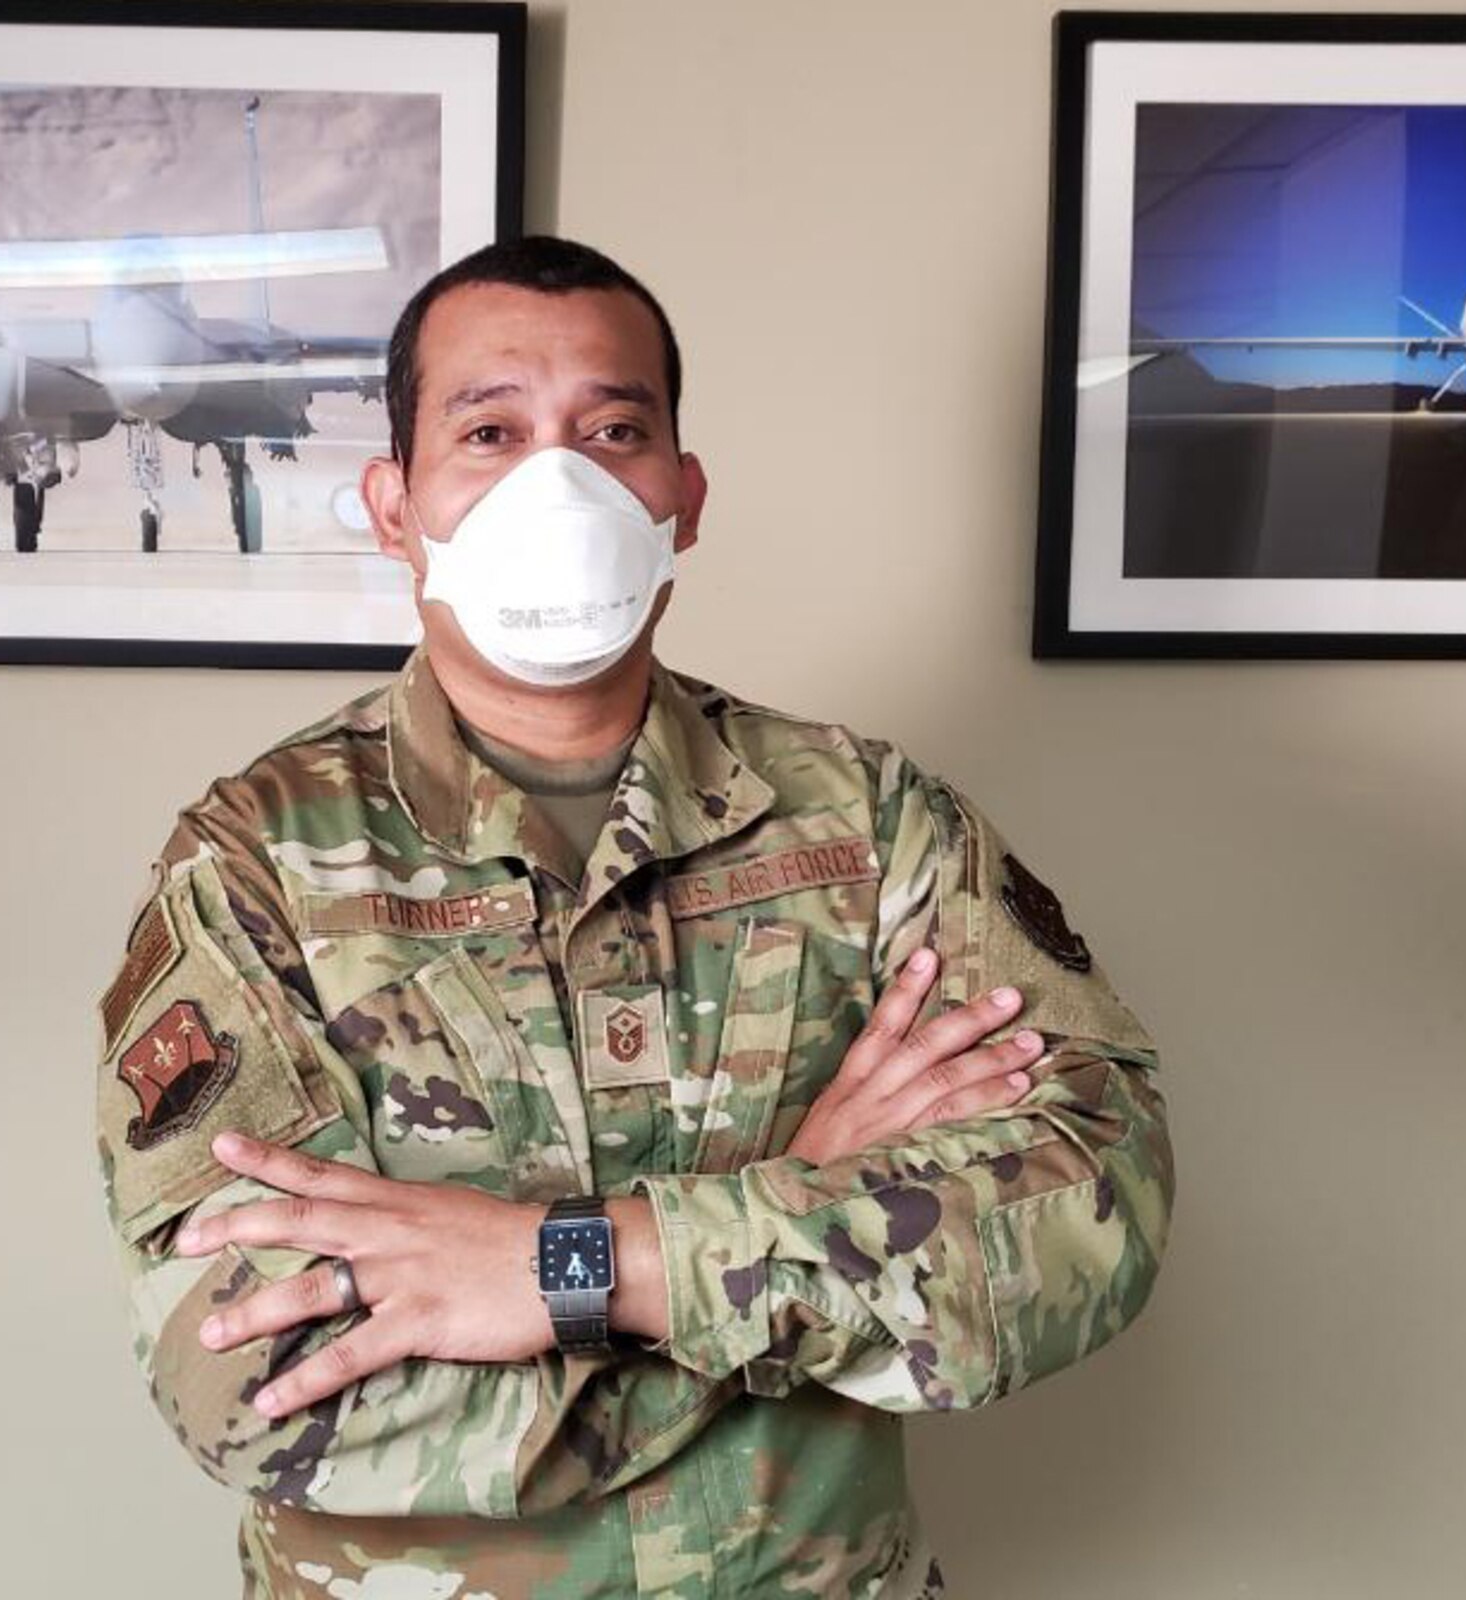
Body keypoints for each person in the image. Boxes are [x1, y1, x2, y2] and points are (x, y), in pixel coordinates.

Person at [95, 236, 1172, 1599]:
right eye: (490, 430)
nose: (562, 478)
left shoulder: (869, 818)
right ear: (392, 503)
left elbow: (1091, 1215)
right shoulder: (257, 864)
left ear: (685, 492)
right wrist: (795, 1221)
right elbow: (260, 1387)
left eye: (614, 429)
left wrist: (557, 1271)